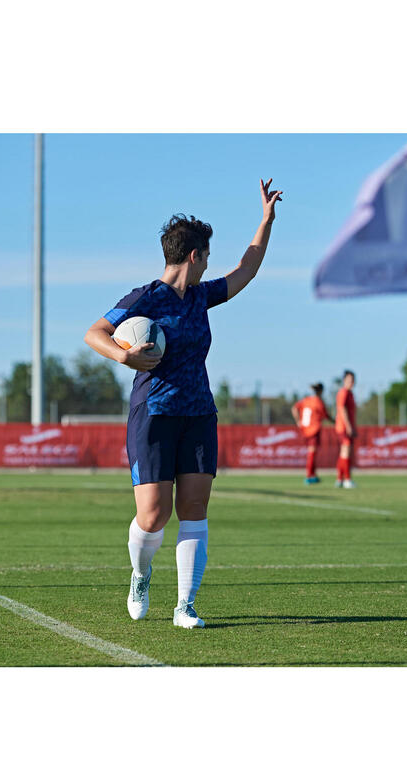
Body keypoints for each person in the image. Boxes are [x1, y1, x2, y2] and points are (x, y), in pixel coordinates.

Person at [84, 179, 283, 628]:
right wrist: (125, 354)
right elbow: (93, 332)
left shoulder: (200, 297)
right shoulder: (144, 299)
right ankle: (140, 574)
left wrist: (265, 222)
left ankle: (185, 605)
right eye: (207, 254)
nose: (209, 262)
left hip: (198, 415)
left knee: (194, 509)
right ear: (194, 255)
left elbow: (246, 270)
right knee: (153, 515)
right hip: (153, 416)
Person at [291, 382, 329, 484]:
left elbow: (294, 408)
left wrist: (298, 421)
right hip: (314, 429)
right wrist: (335, 421)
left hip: (305, 429)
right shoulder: (318, 402)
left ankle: (313, 474)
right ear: (321, 391)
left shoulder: (306, 400)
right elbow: (326, 415)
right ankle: (309, 476)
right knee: (312, 452)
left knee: (312, 452)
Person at [335, 370, 356, 489]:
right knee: (346, 451)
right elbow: (342, 409)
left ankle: (339, 479)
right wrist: (348, 426)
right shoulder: (343, 392)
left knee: (343, 453)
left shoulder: (350, 394)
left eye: (353, 380)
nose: (351, 382)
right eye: (349, 380)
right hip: (343, 427)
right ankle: (347, 479)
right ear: (344, 380)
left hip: (347, 426)